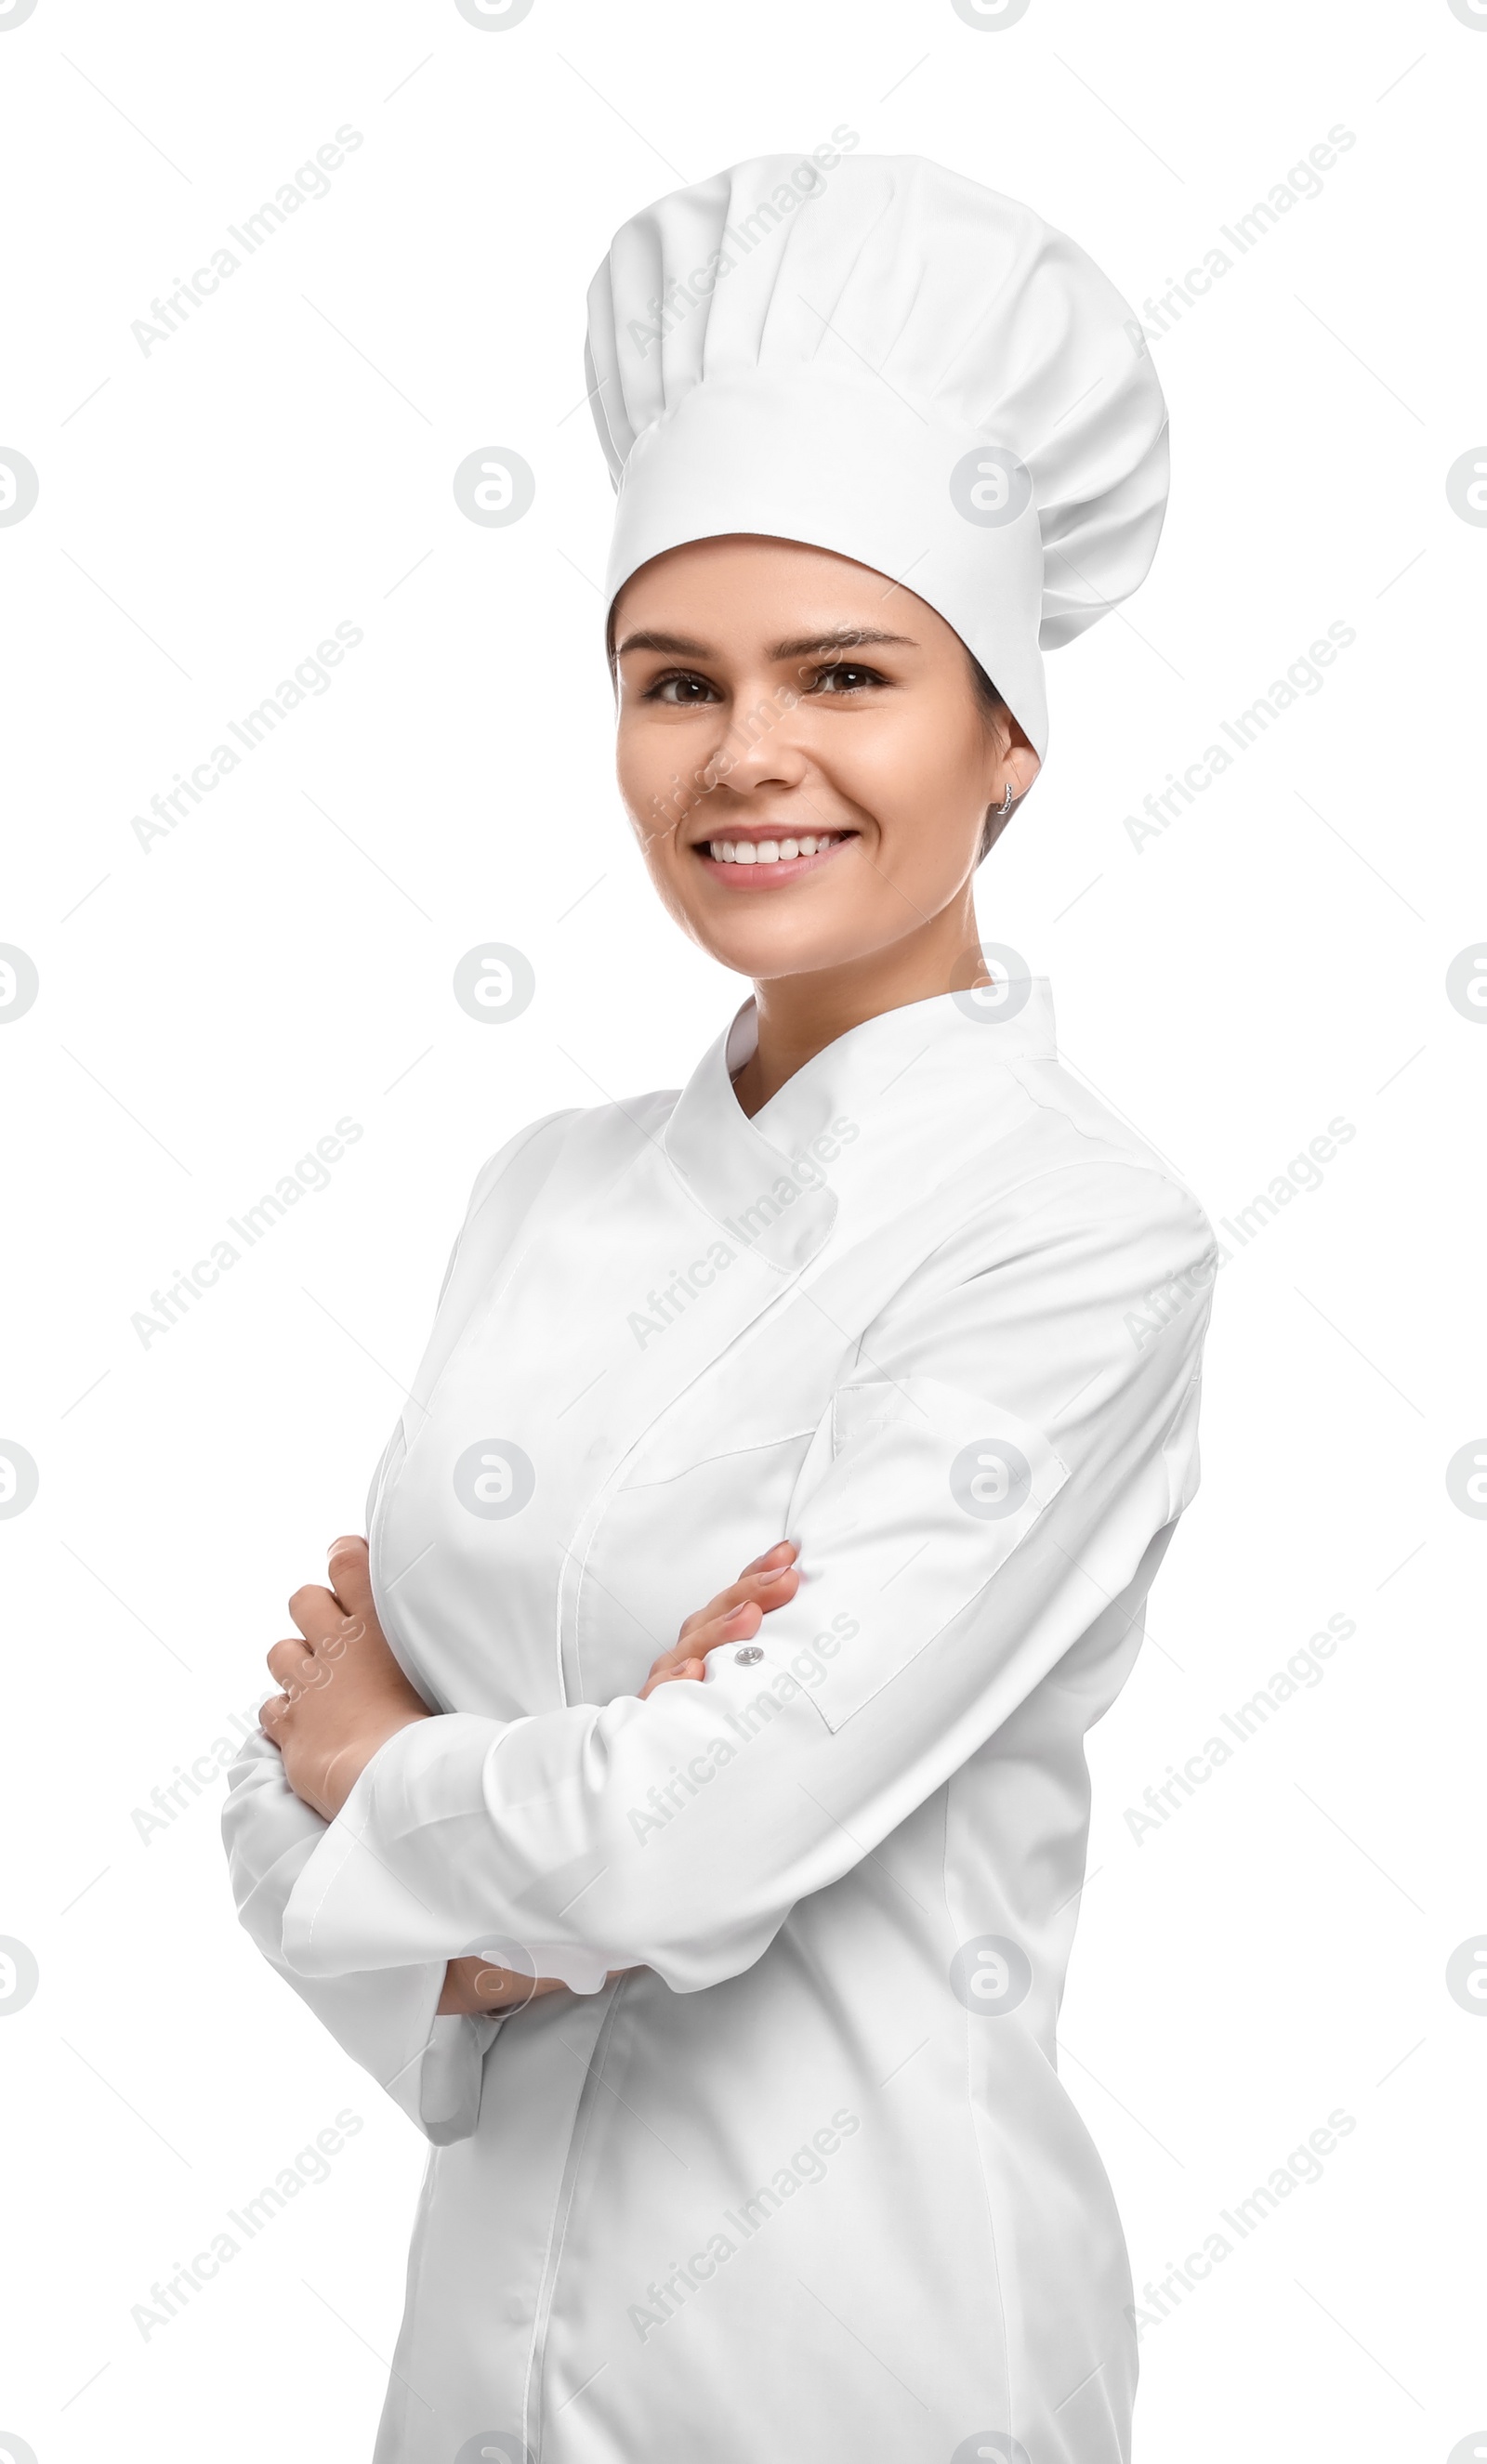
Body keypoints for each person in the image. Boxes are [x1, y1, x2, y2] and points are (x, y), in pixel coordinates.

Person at [223, 151, 1217, 2464]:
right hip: (475, 2369)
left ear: (1006, 741)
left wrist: (407, 1776)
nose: (743, 755)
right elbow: (264, 1824)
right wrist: (531, 1812)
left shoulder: (1078, 1237)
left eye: (842, 677)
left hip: (871, 2357)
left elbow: (691, 1831)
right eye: (676, 683)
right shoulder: (538, 1192)